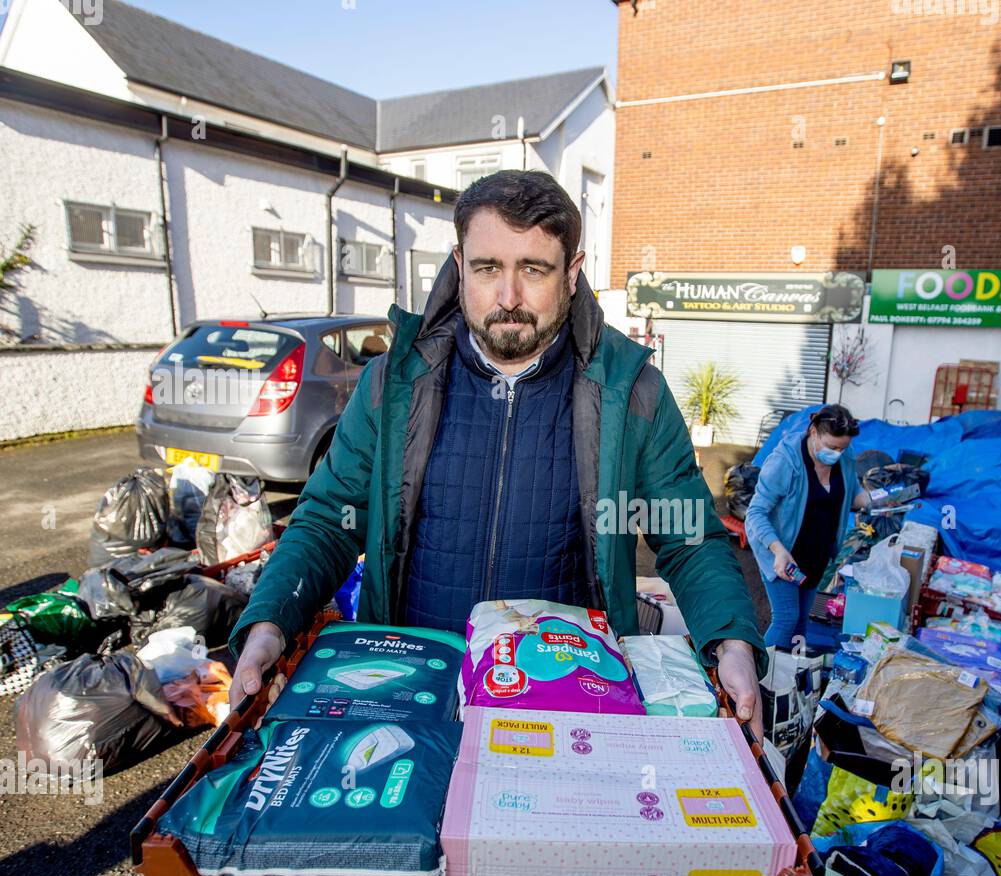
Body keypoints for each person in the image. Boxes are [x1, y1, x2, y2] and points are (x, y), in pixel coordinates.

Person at [228, 170, 767, 736]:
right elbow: (328, 520)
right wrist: (270, 620)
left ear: (573, 272)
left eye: (534, 269)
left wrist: (731, 639)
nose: (509, 298)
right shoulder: (394, 386)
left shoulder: (631, 392)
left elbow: (685, 533)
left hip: (567, 702)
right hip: (414, 696)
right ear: (460, 266)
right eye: (488, 269)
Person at [745, 404, 870, 649]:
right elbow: (756, 512)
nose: (837, 453)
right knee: (786, 618)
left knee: (802, 620)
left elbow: (853, 492)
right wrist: (778, 550)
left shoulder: (845, 456)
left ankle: (789, 677)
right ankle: (757, 677)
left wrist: (876, 500)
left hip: (817, 556)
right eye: (832, 447)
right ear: (813, 432)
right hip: (783, 556)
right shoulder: (786, 461)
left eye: (842, 448)